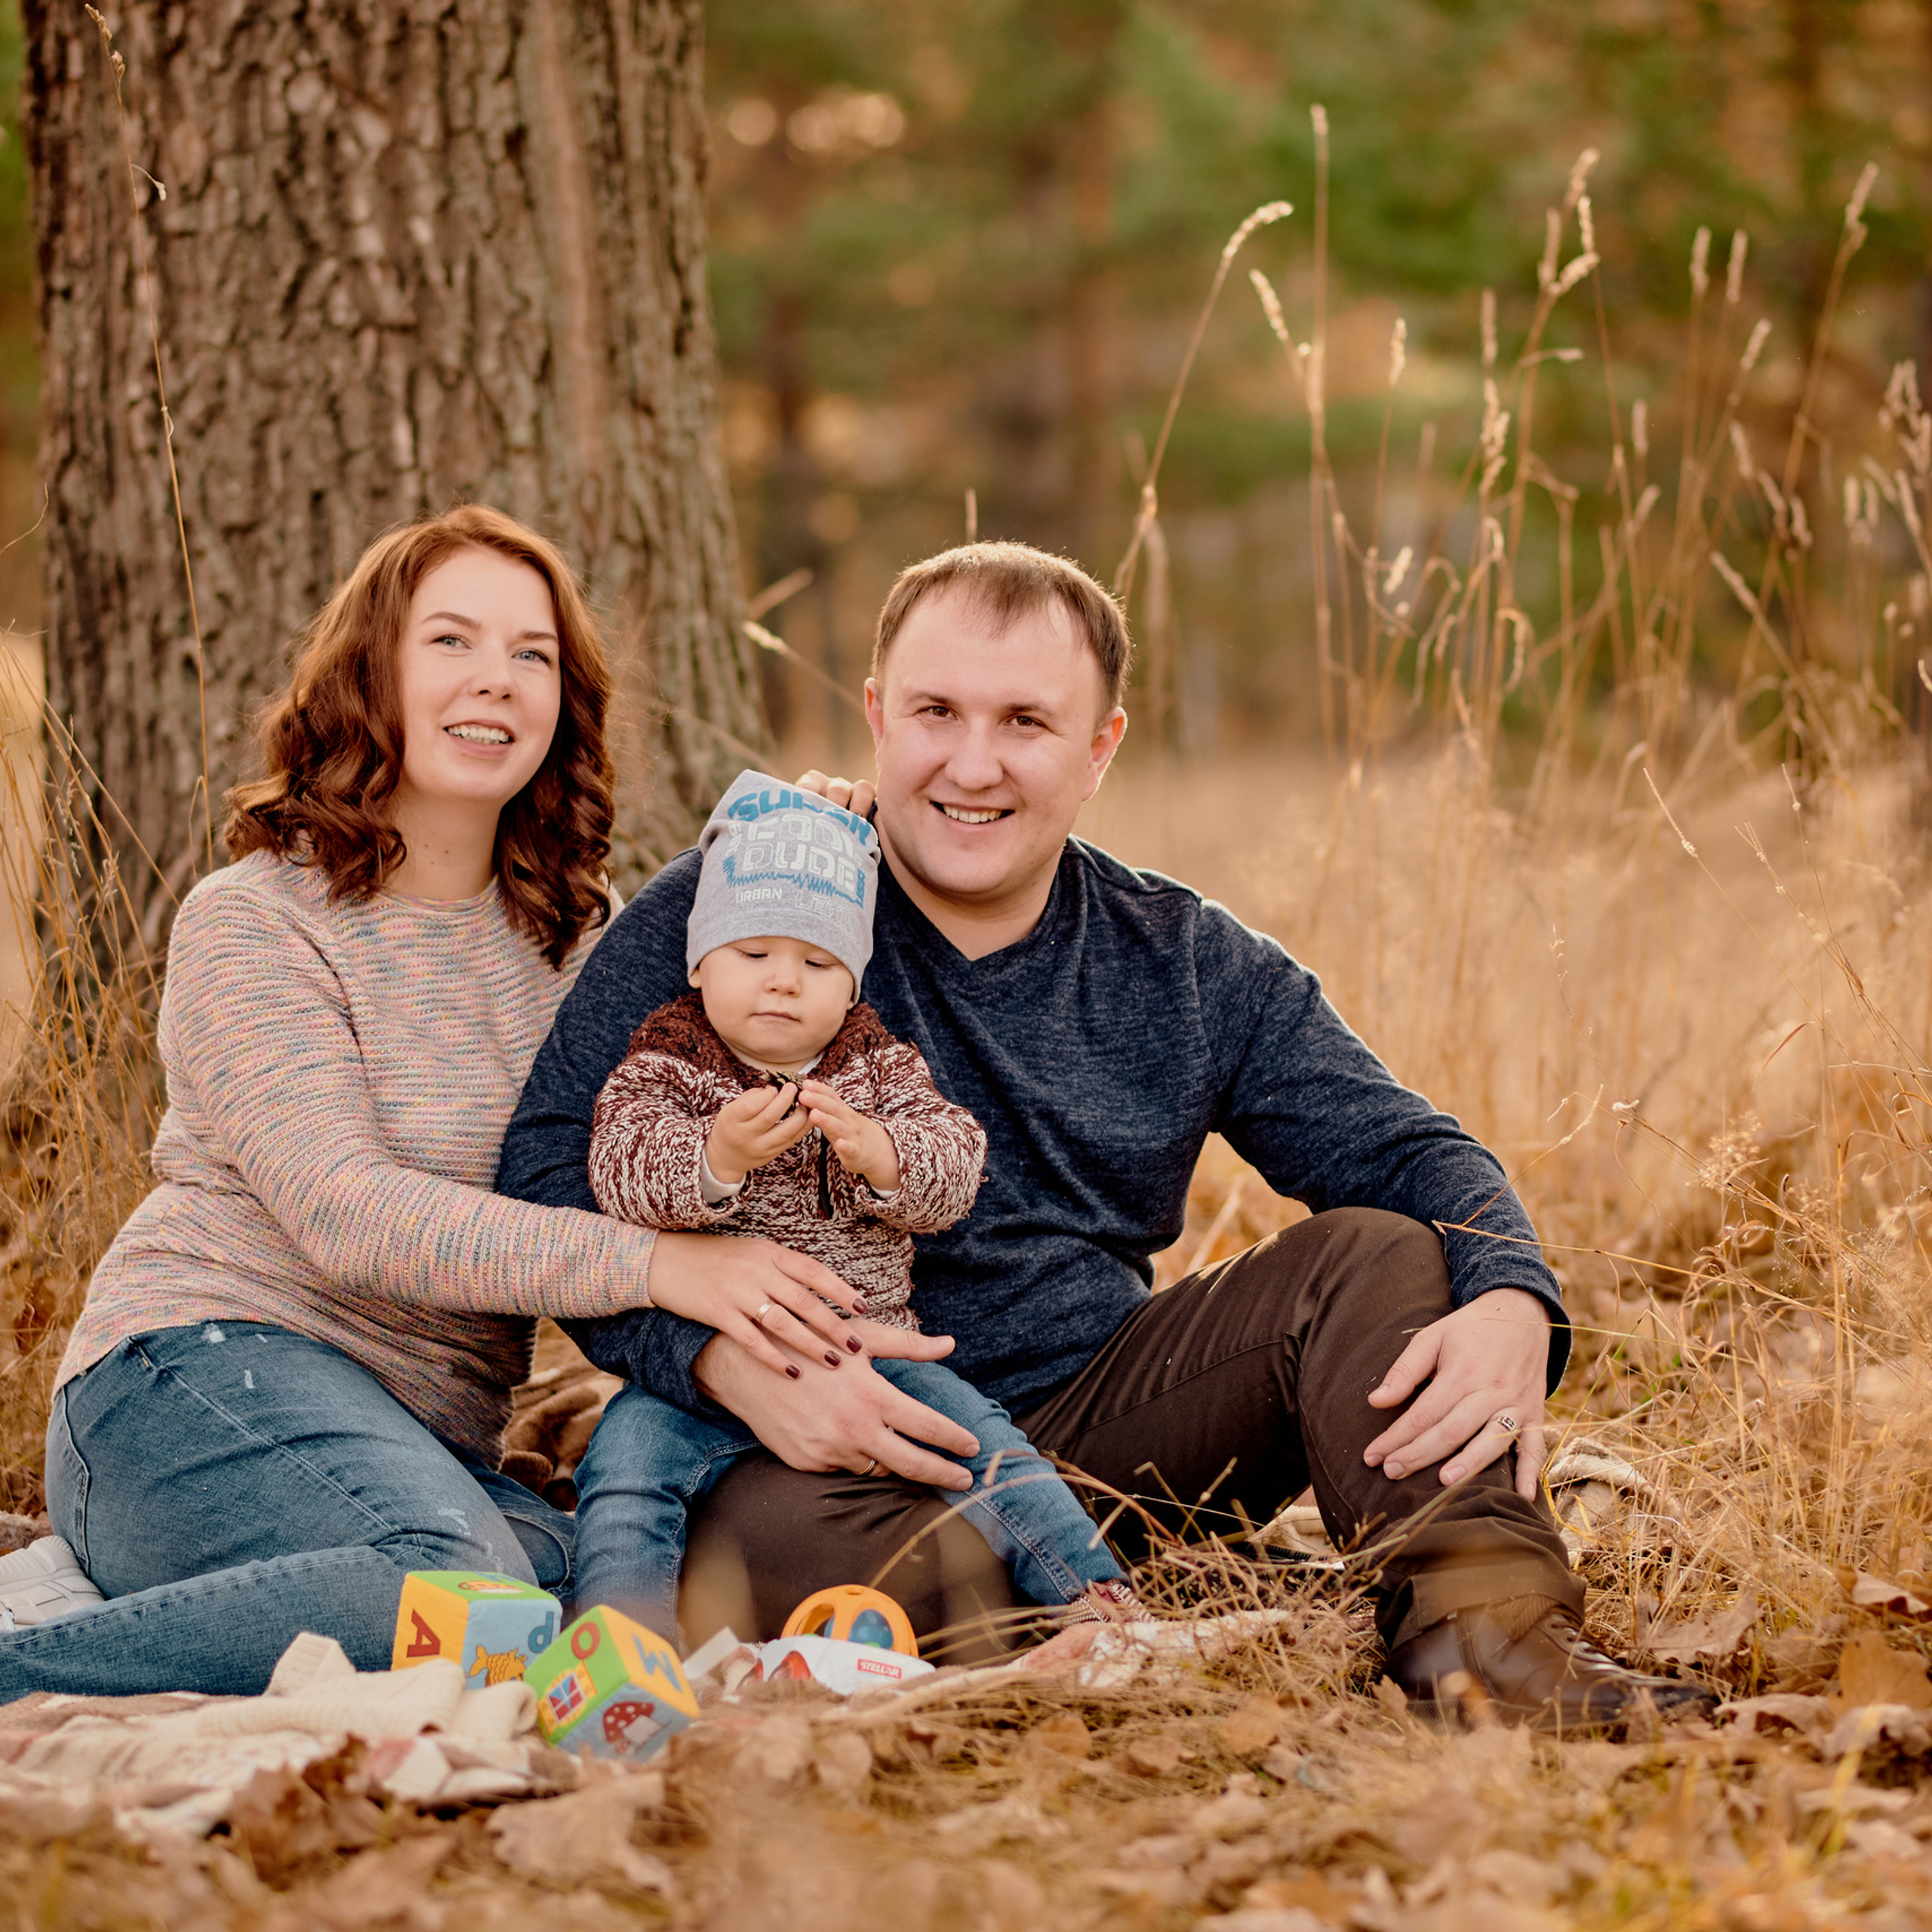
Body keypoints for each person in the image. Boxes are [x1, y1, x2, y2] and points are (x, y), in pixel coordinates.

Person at [501, 539, 1711, 1727]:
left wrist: (1510, 1298)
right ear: (877, 714)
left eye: (1026, 721)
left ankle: (1485, 1643)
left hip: (1116, 1426)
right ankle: (1158, 1615)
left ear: (1100, 749)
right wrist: (712, 1358)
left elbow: (1411, 1156)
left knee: (1385, 1250)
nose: (972, 764)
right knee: (766, 1558)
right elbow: (547, 1169)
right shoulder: (751, 903)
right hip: (823, 1448)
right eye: (936, 712)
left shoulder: (1181, 957)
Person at [0, 508, 855, 1694]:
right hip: (187, 1379)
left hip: (415, 1443)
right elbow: (345, 1213)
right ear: (373, 673)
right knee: (463, 1591)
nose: (495, 682)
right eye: (450, 641)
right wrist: (660, 1269)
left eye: (532, 655)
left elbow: (749, 1048)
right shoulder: (256, 921)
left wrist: (803, 855)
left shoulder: (582, 942)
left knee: (611, 1589)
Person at [572, 767, 1137, 1641]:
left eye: (816, 962)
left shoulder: (877, 1067)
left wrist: (885, 1157)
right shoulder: (667, 1065)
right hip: (694, 1374)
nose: (782, 983)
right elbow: (618, 1167)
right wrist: (713, 1160)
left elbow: (955, 1166)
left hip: (868, 1348)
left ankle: (1098, 1607)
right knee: (623, 1473)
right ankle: (619, 1644)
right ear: (700, 962)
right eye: (752, 954)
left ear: (852, 982)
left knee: (983, 1444)